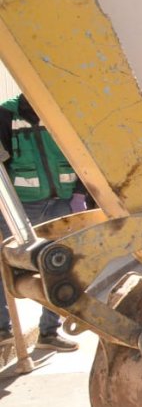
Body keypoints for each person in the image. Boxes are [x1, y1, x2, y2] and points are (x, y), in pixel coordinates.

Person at [0, 94, 81, 352]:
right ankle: (3, 329)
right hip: (21, 207)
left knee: (58, 267)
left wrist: (80, 193)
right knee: (6, 267)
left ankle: (49, 332)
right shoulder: (6, 115)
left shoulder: (61, 110)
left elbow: (81, 155)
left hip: (62, 204)